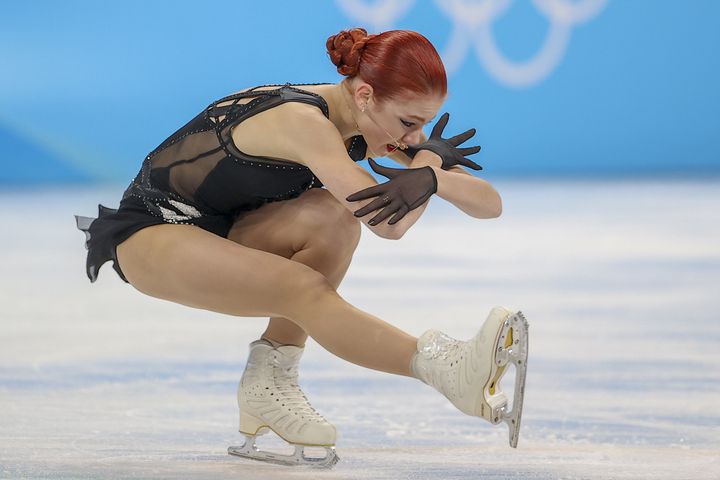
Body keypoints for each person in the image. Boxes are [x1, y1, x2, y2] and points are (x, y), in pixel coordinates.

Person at [75, 27, 529, 468]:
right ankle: (446, 370)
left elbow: (491, 204)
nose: (413, 137)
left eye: (424, 123)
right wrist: (430, 165)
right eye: (409, 122)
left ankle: (268, 378)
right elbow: (389, 227)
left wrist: (432, 173)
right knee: (302, 285)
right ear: (366, 95)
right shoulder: (303, 122)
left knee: (331, 216)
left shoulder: (368, 121)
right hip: (152, 235)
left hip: (221, 231)